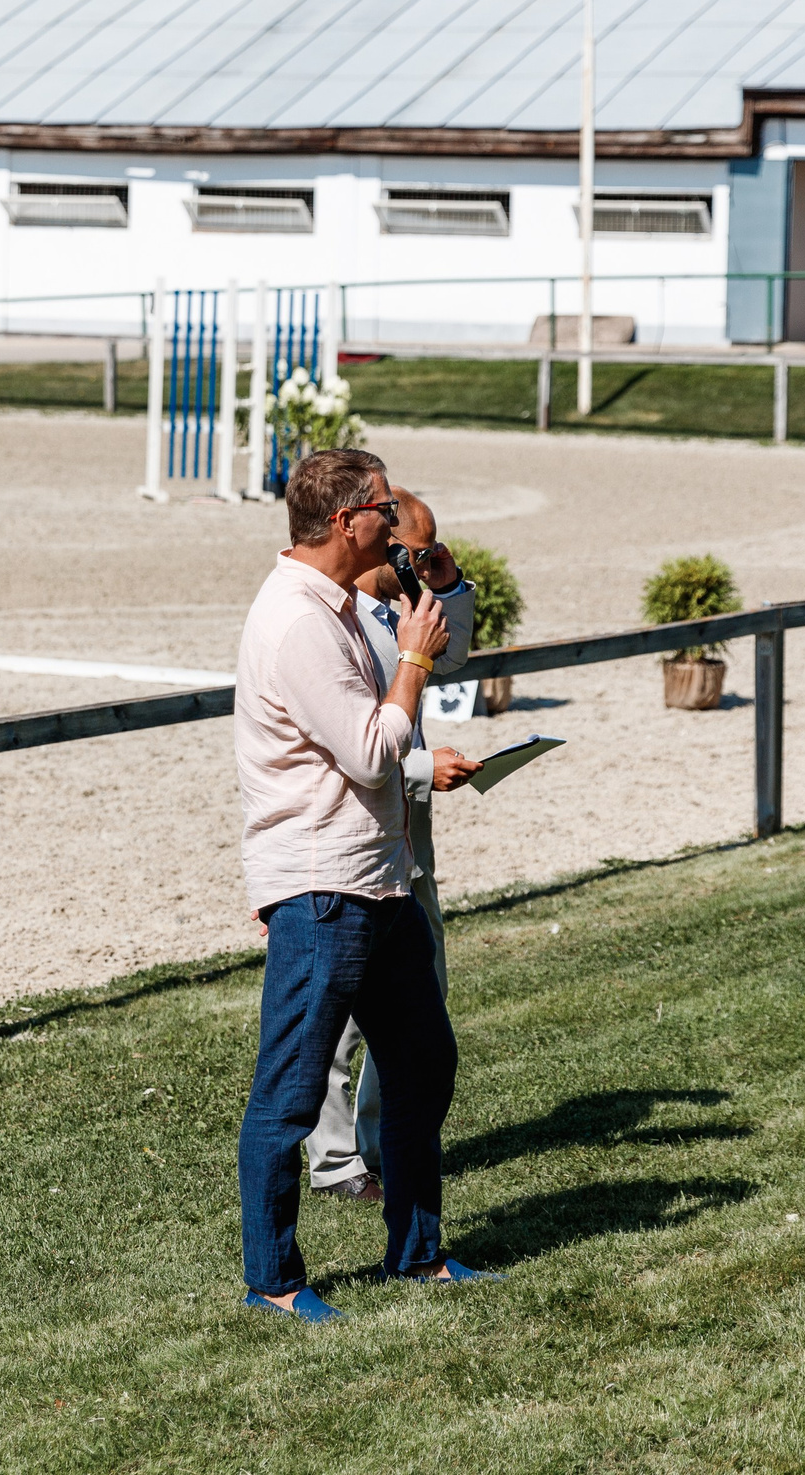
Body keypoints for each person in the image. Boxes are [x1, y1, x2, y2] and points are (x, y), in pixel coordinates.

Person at [233, 447, 497, 1321]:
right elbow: (371, 749)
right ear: (347, 521)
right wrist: (415, 660)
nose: (397, 522)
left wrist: (424, 626)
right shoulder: (298, 621)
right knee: (292, 1093)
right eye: (385, 509)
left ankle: (418, 1255)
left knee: (422, 1062)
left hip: (377, 879)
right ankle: (273, 1281)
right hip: (320, 886)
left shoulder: (343, 603)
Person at [307, 485, 477, 1203]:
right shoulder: (339, 624)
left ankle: (380, 1143)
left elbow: (458, 658)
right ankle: (337, 1162)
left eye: (432, 550)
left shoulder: (405, 607)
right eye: (417, 551)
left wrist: (451, 585)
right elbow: (343, 747)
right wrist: (419, 767)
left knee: (421, 995)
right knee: (345, 1014)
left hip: (411, 844)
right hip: (355, 842)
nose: (423, 561)